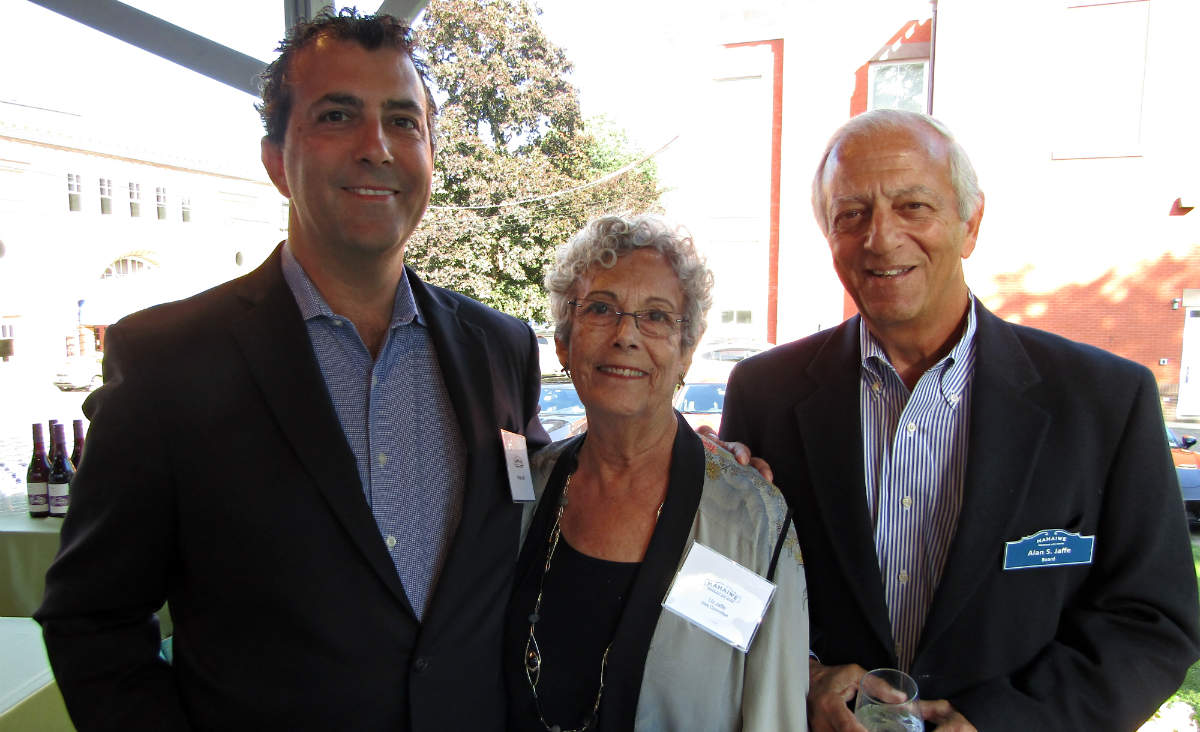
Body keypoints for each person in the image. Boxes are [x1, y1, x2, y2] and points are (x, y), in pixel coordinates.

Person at [35, 10, 549, 732]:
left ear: (430, 154)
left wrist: (690, 467)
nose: (377, 147)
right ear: (276, 158)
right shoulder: (168, 362)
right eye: (338, 115)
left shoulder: (500, 349)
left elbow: (547, 523)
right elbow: (91, 618)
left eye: (404, 122)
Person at [719, 109, 1200, 731]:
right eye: (851, 214)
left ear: (971, 223)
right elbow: (727, 587)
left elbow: (1151, 621)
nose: (881, 238)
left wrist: (1008, 722)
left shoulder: (1104, 401)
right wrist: (804, 676)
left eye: (914, 206)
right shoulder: (765, 393)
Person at [503, 214, 808, 732]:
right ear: (563, 341)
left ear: (686, 351)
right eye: (601, 309)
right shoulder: (525, 493)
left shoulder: (752, 520)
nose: (626, 335)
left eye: (657, 316)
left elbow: (774, 715)